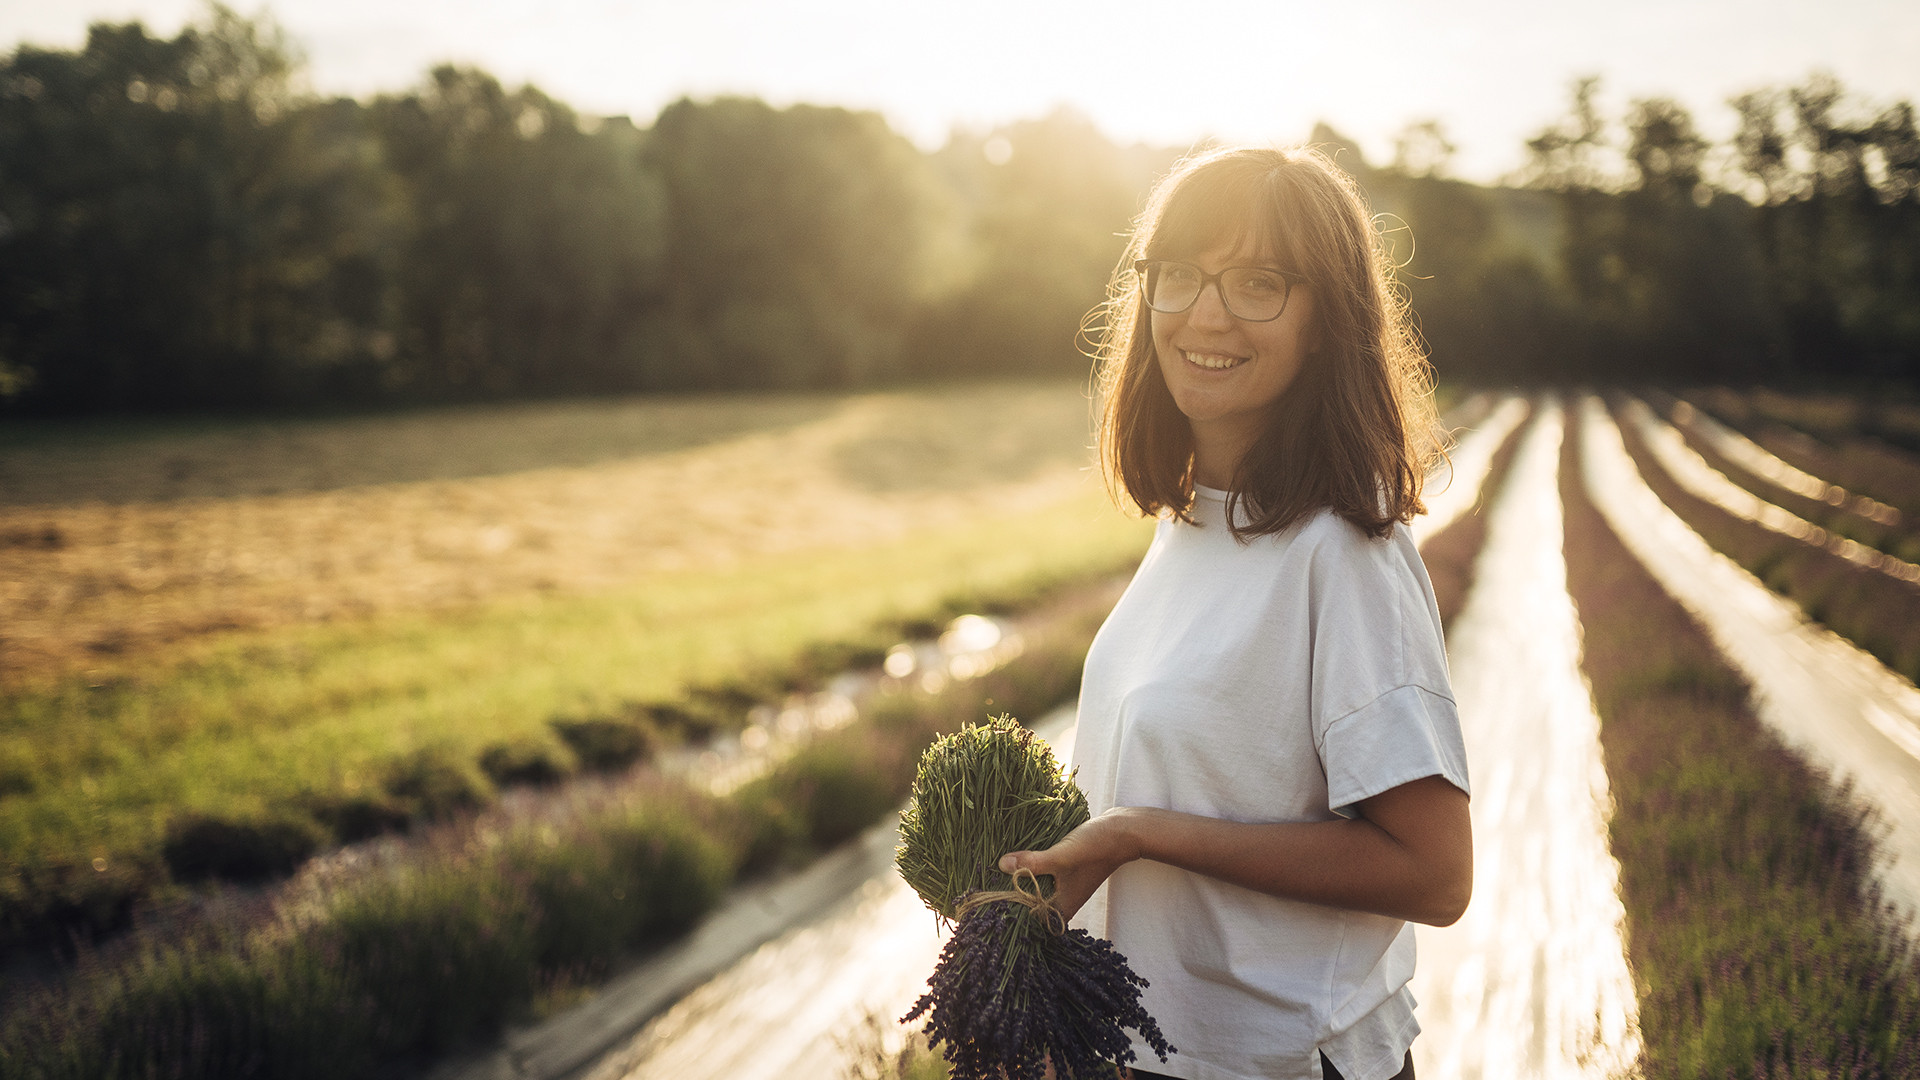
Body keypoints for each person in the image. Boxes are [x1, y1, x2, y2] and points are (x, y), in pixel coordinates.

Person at [996, 145, 1472, 1080]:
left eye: (1260, 282)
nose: (1205, 314)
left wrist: (1141, 833)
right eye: (1180, 274)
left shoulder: (1341, 553)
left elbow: (1435, 871)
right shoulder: (1191, 523)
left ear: (1326, 322)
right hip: (1148, 1058)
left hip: (1283, 1063)